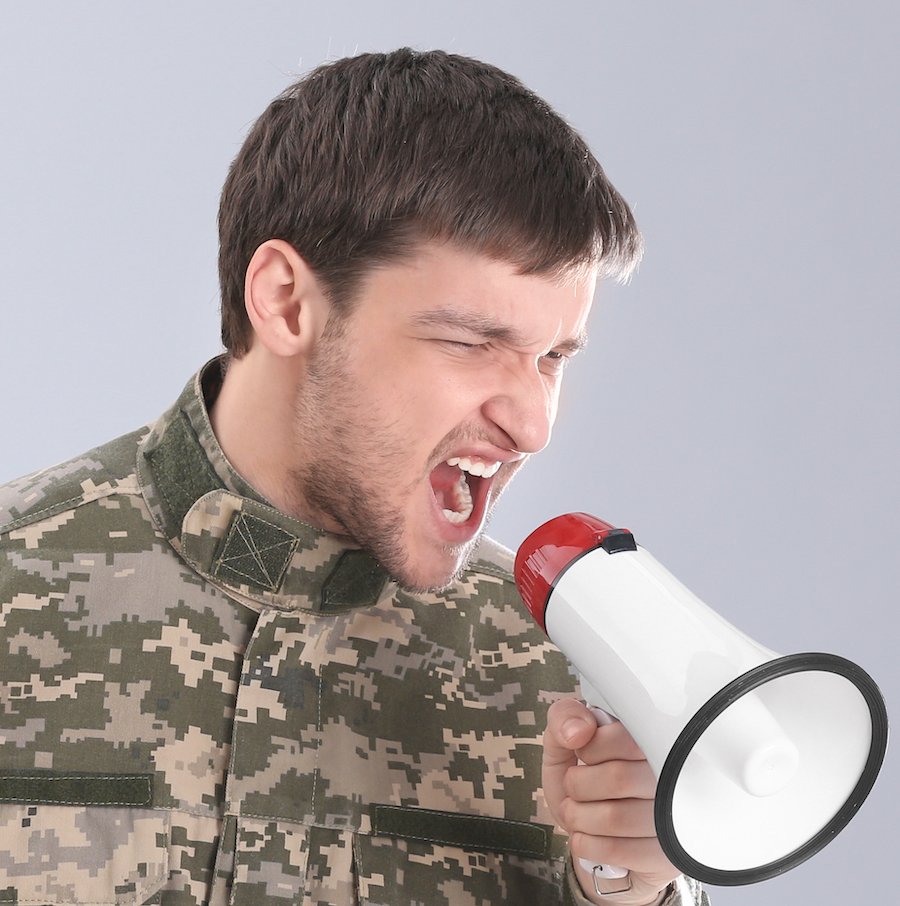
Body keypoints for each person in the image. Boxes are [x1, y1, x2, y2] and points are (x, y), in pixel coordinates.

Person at [0, 49, 707, 905]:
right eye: (470, 341)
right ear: (289, 302)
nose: (533, 423)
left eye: (553, 356)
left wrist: (627, 885)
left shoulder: (568, 680)